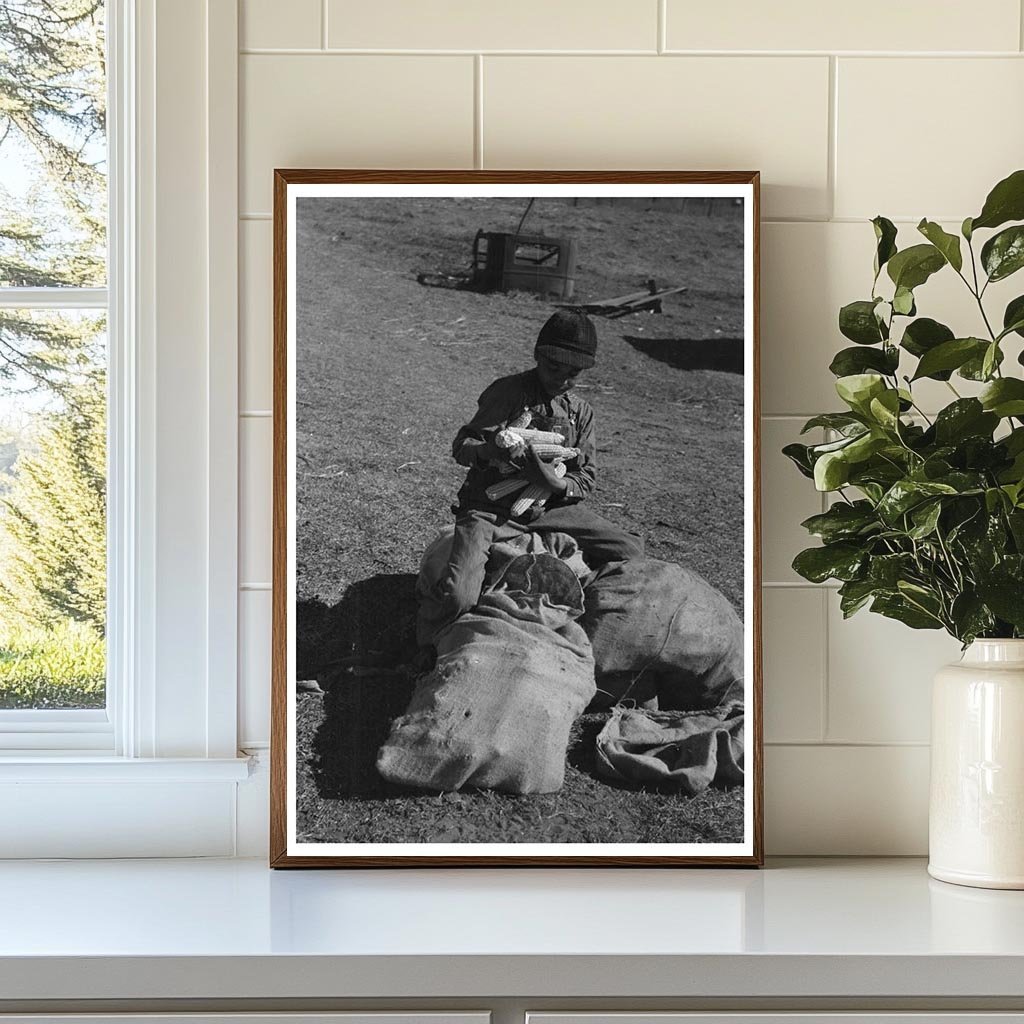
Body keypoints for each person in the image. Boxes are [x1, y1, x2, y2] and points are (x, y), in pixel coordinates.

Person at [435, 308, 644, 632]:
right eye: (553, 367)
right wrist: (491, 449)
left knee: (630, 549)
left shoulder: (581, 412)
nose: (561, 379)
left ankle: (583, 610)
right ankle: (428, 643)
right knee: (460, 596)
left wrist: (553, 482)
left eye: (573, 373)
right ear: (537, 355)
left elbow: (585, 475)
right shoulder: (508, 392)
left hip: (550, 508)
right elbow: (463, 447)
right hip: (490, 506)